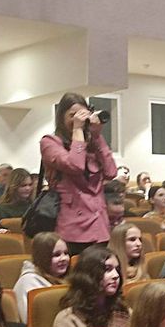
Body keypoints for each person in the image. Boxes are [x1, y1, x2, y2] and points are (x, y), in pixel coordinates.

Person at [40, 93, 116, 254]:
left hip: (99, 226)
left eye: (82, 115)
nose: (78, 120)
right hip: (71, 228)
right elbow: (75, 165)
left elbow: (111, 172)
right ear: (61, 117)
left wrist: (97, 136)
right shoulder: (50, 142)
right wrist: (77, 130)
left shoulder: (92, 142)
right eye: (72, 115)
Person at [53, 245, 130, 327]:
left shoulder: (123, 312)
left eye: (117, 269)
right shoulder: (67, 319)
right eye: (107, 269)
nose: (116, 276)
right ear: (89, 275)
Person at [13, 232, 69, 322]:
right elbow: (30, 321)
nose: (64, 258)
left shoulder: (67, 279)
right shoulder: (28, 282)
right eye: (56, 255)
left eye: (66, 253)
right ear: (43, 257)